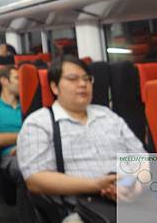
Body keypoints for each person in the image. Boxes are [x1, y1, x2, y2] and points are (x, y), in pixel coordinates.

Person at [17, 55, 146, 220]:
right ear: (55, 87)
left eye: (87, 79)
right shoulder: (39, 122)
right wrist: (96, 185)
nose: (83, 84)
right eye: (73, 79)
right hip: (79, 210)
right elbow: (35, 180)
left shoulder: (108, 115)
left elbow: (141, 158)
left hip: (130, 199)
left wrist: (132, 186)